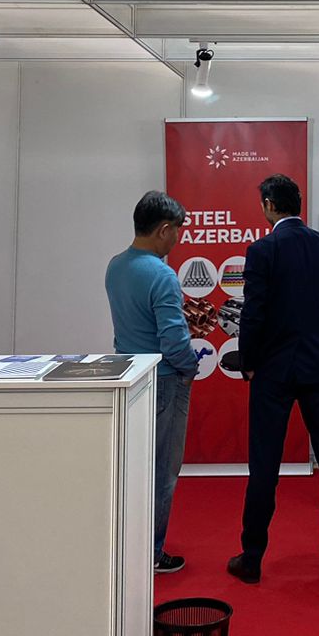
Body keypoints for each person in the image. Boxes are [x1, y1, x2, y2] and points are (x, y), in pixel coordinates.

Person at [228, 174, 319, 584]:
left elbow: (254, 313)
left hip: (273, 371)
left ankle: (252, 558)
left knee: (264, 465)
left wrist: (248, 362)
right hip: (318, 367)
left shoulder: (262, 250)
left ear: (268, 204)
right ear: (297, 203)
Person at [105, 190, 199, 574]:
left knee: (135, 467)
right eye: (177, 230)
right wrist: (190, 368)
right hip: (165, 381)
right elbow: (173, 341)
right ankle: (152, 553)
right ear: (163, 230)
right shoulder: (162, 274)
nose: (178, 238)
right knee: (162, 472)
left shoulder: (115, 266)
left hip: (130, 376)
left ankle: (129, 546)